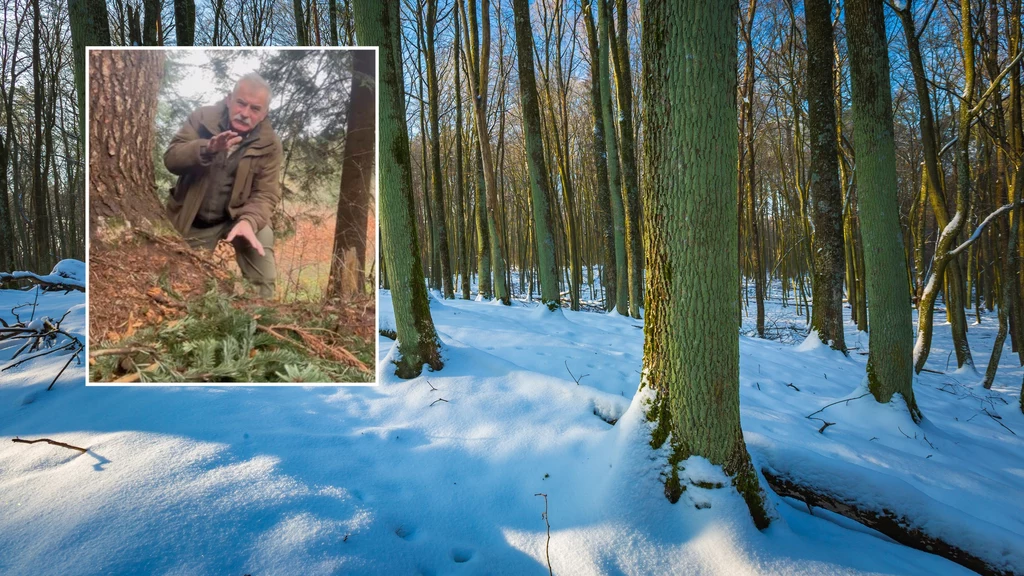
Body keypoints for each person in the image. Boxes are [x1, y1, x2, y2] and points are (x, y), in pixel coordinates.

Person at [164, 72, 283, 299]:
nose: (245, 113)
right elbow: (171, 159)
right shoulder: (202, 119)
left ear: (264, 113)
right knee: (181, 286)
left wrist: (249, 221)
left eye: (255, 109)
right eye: (241, 103)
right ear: (229, 99)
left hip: (238, 219)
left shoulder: (270, 144)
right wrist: (207, 148)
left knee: (262, 256)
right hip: (193, 219)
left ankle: (259, 321)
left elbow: (266, 194)